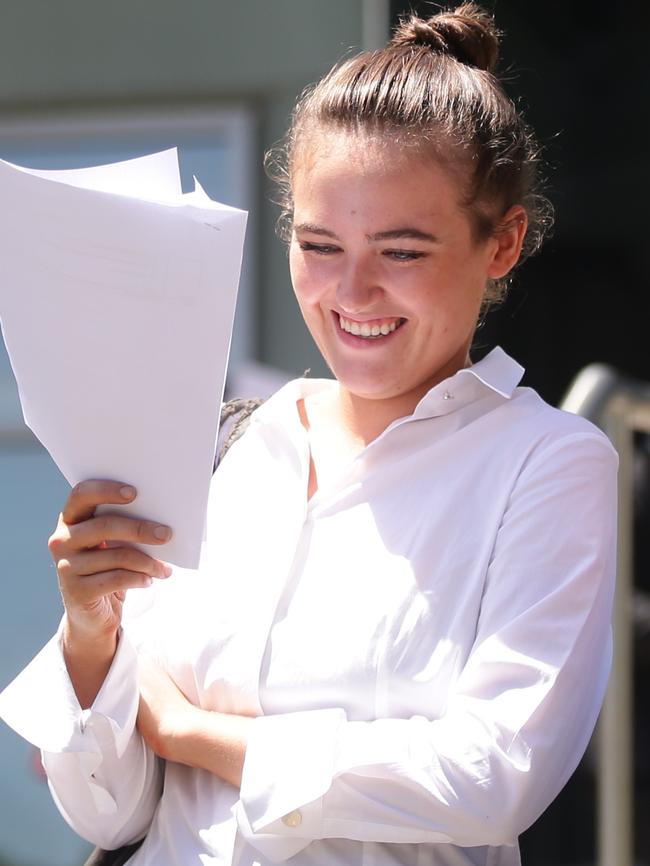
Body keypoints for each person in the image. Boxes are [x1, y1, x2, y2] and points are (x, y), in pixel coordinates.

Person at [0, 5, 617, 866]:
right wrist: (90, 636)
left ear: (503, 243)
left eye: (401, 251)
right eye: (320, 243)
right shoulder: (223, 449)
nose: (352, 292)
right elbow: (108, 818)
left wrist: (198, 734)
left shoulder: (546, 464)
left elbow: (494, 774)